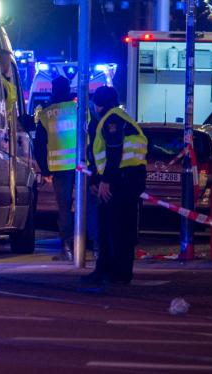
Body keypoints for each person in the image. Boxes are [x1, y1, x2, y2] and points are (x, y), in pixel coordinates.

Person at [82, 87, 147, 285]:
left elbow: (114, 152)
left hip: (120, 181)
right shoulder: (122, 117)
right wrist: (97, 179)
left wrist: (105, 181)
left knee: (112, 229)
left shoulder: (112, 119)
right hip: (128, 179)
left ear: (98, 104)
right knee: (120, 229)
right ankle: (116, 272)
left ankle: (113, 272)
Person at [33, 76, 79, 260]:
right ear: (68, 89)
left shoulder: (46, 114)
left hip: (59, 168)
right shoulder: (78, 109)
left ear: (53, 90)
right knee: (88, 207)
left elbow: (39, 145)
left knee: (64, 209)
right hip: (82, 166)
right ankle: (95, 247)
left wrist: (45, 171)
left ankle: (67, 248)